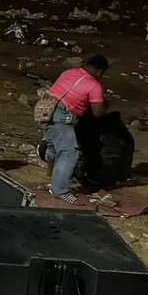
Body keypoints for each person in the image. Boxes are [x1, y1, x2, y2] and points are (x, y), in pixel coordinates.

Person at [42, 54, 109, 201]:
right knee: (69, 152)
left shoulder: (69, 72)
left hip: (45, 109)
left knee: (53, 145)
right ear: (100, 71)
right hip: (62, 114)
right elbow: (97, 112)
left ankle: (51, 175)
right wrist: (104, 107)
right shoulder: (94, 85)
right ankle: (60, 191)